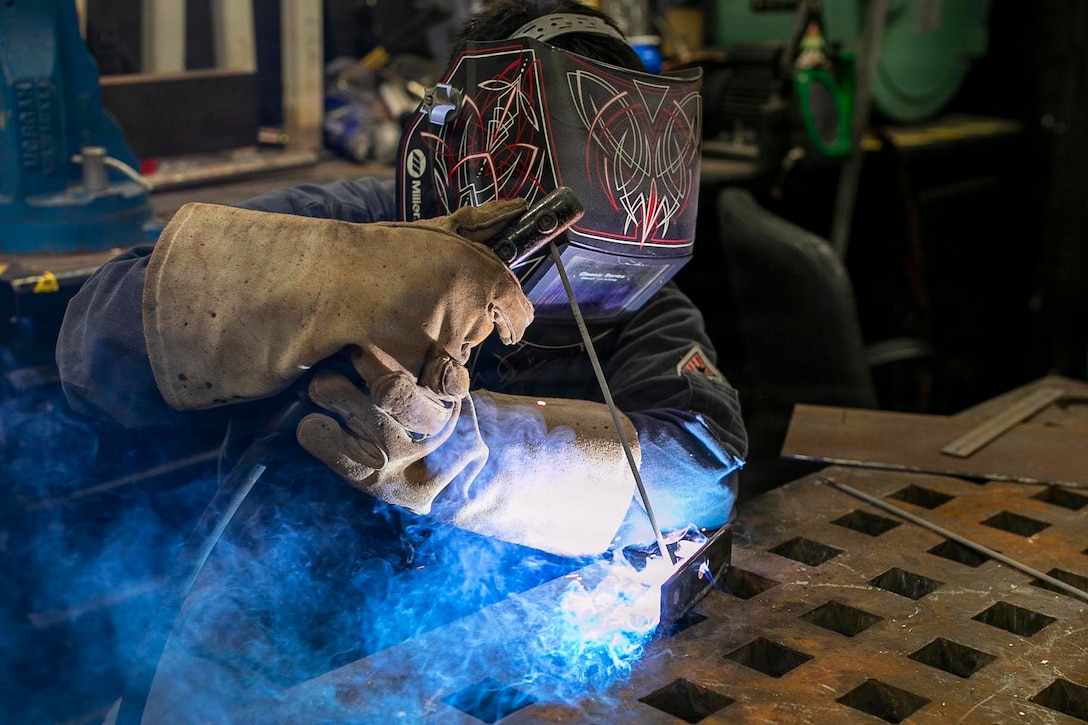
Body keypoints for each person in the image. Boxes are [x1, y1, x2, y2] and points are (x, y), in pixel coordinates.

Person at [57, 0, 746, 564]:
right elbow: (95, 343)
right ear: (468, 151)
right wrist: (343, 281)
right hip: (285, 601)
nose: (561, 273)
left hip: (487, 624)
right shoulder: (355, 222)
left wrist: (469, 458)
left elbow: (700, 471)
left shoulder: (628, 284)